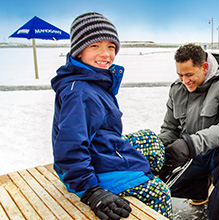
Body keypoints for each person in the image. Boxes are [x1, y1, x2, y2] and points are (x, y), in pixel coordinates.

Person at [51, 12, 172, 220]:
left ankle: (137, 178)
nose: (106, 54)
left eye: (110, 46)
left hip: (100, 148)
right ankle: (140, 186)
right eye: (95, 46)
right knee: (160, 193)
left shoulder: (93, 79)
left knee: (150, 140)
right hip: (86, 172)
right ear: (79, 51)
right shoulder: (79, 92)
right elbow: (69, 147)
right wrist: (91, 192)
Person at [158, 43, 219, 220]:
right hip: (193, 155)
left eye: (189, 74)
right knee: (158, 182)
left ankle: (216, 212)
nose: (184, 81)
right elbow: (170, 128)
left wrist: (192, 143)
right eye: (180, 75)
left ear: (205, 67)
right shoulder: (177, 89)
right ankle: (200, 188)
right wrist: (157, 147)